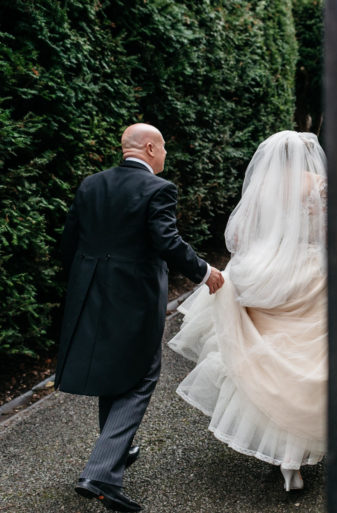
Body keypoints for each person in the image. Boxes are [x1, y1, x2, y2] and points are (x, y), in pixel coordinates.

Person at [56, 123, 225, 512]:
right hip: (134, 296)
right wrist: (203, 271)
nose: (165, 155)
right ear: (150, 148)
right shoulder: (158, 189)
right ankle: (99, 473)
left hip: (90, 289)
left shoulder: (91, 184)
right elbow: (166, 241)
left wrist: (85, 278)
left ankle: (115, 451)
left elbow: (70, 242)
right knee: (142, 376)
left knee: (110, 371)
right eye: (163, 148)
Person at [168, 130, 328, 491]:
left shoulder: (265, 186)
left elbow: (238, 237)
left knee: (267, 359)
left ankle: (287, 462)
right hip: (310, 277)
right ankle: (293, 461)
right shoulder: (319, 185)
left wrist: (266, 251)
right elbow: (327, 234)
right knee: (307, 360)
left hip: (264, 274)